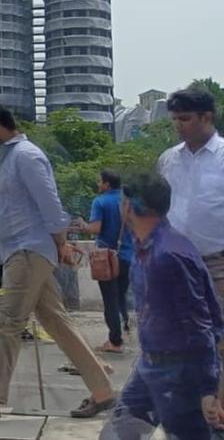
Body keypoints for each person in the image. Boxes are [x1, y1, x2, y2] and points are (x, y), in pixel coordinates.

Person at [0, 103, 115, 422]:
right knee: (57, 323)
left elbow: (51, 205)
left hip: (28, 252)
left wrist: (61, 243)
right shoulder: (10, 157)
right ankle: (103, 392)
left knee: (7, 322)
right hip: (23, 251)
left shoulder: (26, 156)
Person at [99, 173, 224, 438]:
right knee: (119, 431)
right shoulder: (146, 247)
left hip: (180, 373)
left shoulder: (169, 256)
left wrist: (207, 390)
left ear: (131, 207)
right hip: (151, 366)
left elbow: (201, 326)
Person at [157, 87, 224, 403]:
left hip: (217, 262)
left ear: (206, 117)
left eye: (185, 118)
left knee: (220, 337)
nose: (178, 125)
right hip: (177, 264)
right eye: (175, 119)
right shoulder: (168, 160)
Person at [78, 170, 134, 354]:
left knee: (110, 299)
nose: (97, 184)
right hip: (128, 255)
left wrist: (83, 225)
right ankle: (125, 329)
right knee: (121, 296)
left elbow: (96, 228)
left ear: (107, 184)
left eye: (99, 181)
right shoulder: (127, 201)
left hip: (107, 258)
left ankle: (115, 341)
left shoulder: (100, 201)